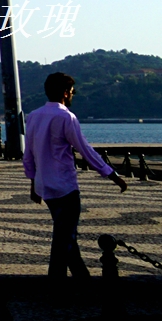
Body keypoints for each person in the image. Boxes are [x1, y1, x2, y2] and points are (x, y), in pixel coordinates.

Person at [23, 72, 128, 279]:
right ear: (64, 93)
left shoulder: (33, 116)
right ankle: (56, 283)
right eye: (72, 92)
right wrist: (112, 174)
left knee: (66, 236)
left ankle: (83, 279)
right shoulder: (66, 117)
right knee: (64, 238)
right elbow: (85, 150)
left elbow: (29, 154)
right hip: (65, 186)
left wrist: (33, 184)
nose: (73, 95)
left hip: (46, 187)